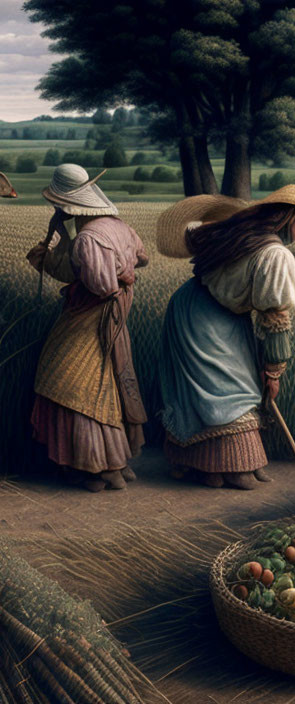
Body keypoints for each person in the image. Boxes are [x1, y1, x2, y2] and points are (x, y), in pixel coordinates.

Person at [157, 186, 295, 490]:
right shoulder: (274, 253)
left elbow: (195, 232)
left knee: (240, 385)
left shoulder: (246, 233)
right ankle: (218, 467)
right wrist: (275, 370)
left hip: (204, 310)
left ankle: (234, 465)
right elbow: (276, 317)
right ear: (287, 217)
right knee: (226, 392)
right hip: (201, 318)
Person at [25, 164, 148, 492]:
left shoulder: (88, 239)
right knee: (100, 381)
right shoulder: (117, 226)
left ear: (67, 204)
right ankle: (114, 463)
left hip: (93, 317)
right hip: (110, 316)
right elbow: (143, 257)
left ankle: (93, 467)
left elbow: (102, 286)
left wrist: (116, 273)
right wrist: (58, 251)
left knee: (65, 380)